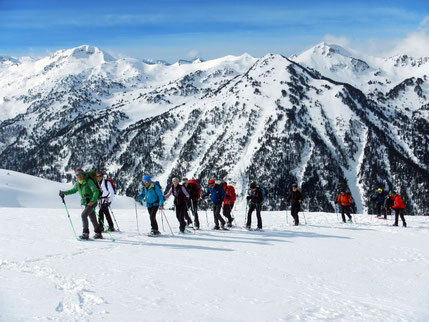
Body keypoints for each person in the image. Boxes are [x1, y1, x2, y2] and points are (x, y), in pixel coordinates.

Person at [59, 169, 102, 239]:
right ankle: (98, 233)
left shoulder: (89, 181)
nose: (79, 176)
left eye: (80, 174)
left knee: (84, 215)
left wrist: (92, 201)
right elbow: (73, 190)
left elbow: (95, 191)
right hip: (86, 203)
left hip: (92, 202)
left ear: (83, 174)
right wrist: (64, 193)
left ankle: (85, 233)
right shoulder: (78, 183)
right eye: (77, 175)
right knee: (92, 218)